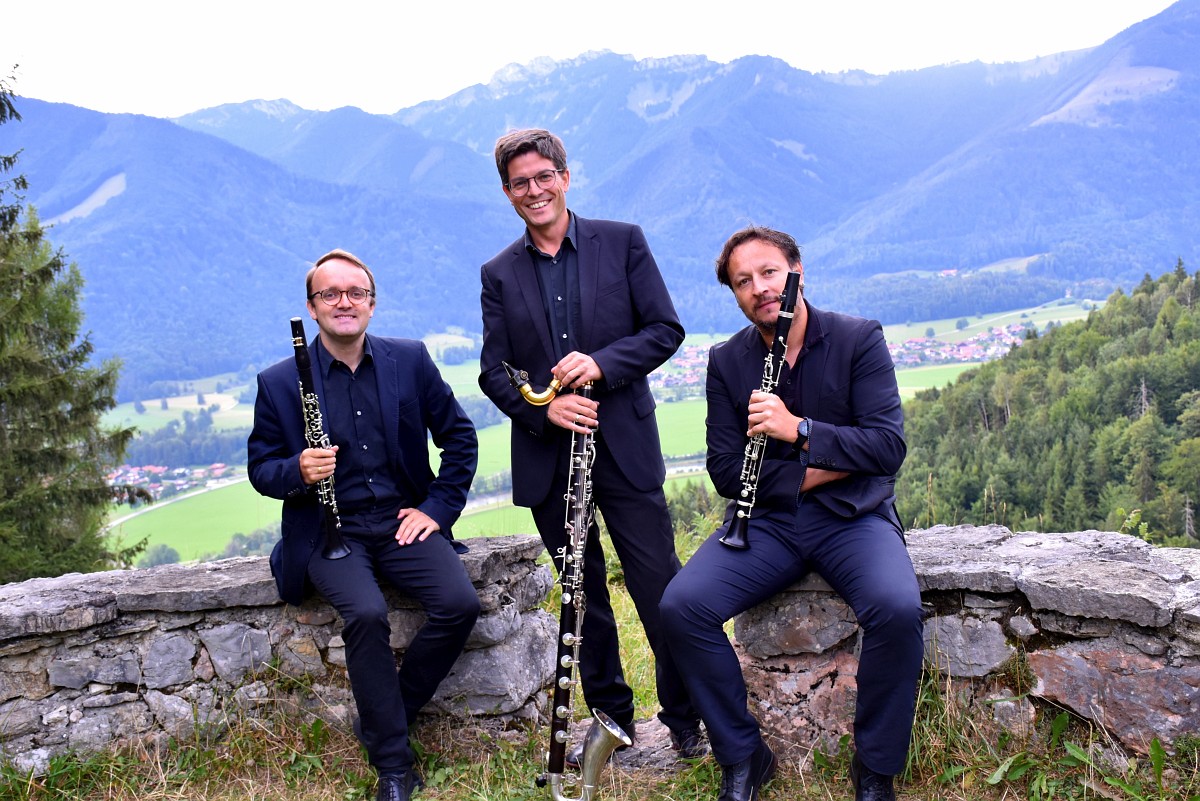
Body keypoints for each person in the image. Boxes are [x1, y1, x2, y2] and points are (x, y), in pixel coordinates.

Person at [659, 226, 924, 801]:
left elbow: (886, 447)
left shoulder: (858, 339)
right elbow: (726, 471)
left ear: (797, 272)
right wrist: (827, 465)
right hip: (768, 522)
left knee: (898, 609)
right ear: (735, 295)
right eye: (743, 281)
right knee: (681, 608)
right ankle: (743, 756)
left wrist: (798, 431)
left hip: (853, 517)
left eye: (769, 273)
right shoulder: (727, 362)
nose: (759, 288)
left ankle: (875, 768)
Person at [478, 128, 707, 764]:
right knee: (585, 599)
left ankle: (685, 716)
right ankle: (611, 720)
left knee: (659, 587)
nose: (534, 190)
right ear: (507, 193)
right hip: (551, 459)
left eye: (542, 177)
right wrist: (547, 411)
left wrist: (602, 365)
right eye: (520, 183)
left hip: (624, 445)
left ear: (565, 177)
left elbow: (665, 329)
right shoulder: (498, 273)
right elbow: (494, 371)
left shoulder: (623, 240)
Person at [248, 249, 480, 801]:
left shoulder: (410, 359)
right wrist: (298, 470)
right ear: (312, 307)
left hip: (402, 520)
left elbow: (460, 438)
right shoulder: (278, 382)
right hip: (331, 530)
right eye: (330, 294)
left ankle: (385, 716)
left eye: (356, 293)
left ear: (372, 304)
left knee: (460, 604)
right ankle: (393, 767)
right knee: (368, 613)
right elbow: (261, 469)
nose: (344, 302)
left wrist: (436, 510)